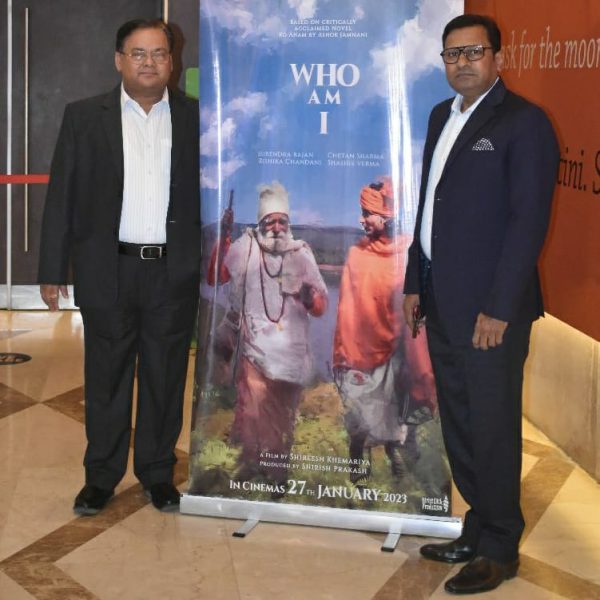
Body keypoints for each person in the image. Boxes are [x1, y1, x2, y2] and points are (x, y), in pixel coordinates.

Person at [403, 14, 559, 595]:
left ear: (498, 57)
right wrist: (414, 281)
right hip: (441, 298)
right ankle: (477, 524)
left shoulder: (524, 123)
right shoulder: (440, 116)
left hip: (490, 312)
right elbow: (429, 207)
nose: (462, 63)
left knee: (492, 426)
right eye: (452, 54)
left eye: (474, 52)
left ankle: (499, 545)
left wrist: (499, 307)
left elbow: (527, 223)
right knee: (461, 421)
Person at [38, 19, 201, 515]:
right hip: (108, 270)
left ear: (172, 61)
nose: (149, 62)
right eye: (138, 53)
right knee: (106, 378)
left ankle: (157, 473)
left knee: (164, 377)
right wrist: (52, 269)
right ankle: (101, 477)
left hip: (172, 273)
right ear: (119, 60)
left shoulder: (197, 118)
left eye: (159, 53)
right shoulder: (85, 117)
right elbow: (62, 196)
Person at [208, 181, 327, 488]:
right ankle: (249, 466)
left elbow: (321, 307)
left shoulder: (301, 254)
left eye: (281, 221)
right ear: (260, 223)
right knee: (251, 412)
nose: (276, 227)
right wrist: (223, 236)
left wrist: (309, 298)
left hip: (290, 357)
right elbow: (215, 277)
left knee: (281, 419)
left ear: (288, 224)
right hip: (254, 353)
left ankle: (277, 475)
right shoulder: (245, 248)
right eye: (270, 221)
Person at [332, 180, 436, 484]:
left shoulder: (408, 252)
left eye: (368, 213)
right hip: (360, 353)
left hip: (399, 352)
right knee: (359, 419)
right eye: (362, 212)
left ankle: (397, 466)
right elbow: (347, 310)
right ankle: (357, 471)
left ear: (387, 217)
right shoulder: (357, 254)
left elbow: (416, 305)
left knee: (396, 413)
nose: (361, 219)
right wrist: (344, 352)